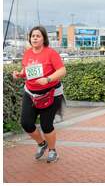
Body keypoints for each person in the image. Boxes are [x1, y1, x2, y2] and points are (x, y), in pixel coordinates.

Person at [12, 26, 66, 163]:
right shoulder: (28, 53)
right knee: (26, 123)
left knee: (46, 125)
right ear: (30, 39)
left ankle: (53, 151)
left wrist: (48, 79)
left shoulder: (51, 53)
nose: (35, 38)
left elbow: (62, 71)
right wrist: (20, 74)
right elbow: (27, 69)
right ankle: (42, 144)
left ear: (43, 39)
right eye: (33, 36)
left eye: (38, 36)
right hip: (30, 93)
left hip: (51, 93)